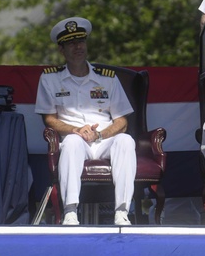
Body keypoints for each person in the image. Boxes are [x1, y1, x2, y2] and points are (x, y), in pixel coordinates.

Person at [34, 17, 137, 226]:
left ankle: (122, 212)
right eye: (71, 43)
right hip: (75, 139)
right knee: (71, 142)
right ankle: (71, 211)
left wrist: (99, 134)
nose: (78, 47)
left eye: (81, 41)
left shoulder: (107, 78)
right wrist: (76, 130)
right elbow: (49, 119)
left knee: (126, 140)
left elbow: (121, 121)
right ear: (62, 50)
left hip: (103, 138)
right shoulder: (50, 78)